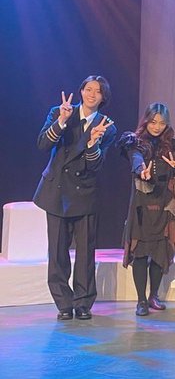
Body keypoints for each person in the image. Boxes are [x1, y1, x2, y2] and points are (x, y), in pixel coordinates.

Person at [34, 75, 117, 321]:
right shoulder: (60, 112)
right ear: (81, 91)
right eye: (88, 89)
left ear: (103, 98)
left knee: (85, 252)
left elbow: (95, 166)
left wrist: (92, 144)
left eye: (98, 91)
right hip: (56, 191)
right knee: (57, 251)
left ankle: (83, 303)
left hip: (85, 193)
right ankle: (63, 303)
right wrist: (61, 121)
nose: (92, 94)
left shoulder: (107, 126)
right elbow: (42, 145)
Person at [118, 103, 175, 316]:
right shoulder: (135, 141)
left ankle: (153, 296)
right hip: (142, 204)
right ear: (146, 121)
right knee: (140, 253)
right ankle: (141, 300)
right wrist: (141, 170)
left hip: (164, 204)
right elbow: (136, 158)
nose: (157, 127)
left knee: (160, 251)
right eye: (153, 122)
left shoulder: (173, 144)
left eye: (162, 123)